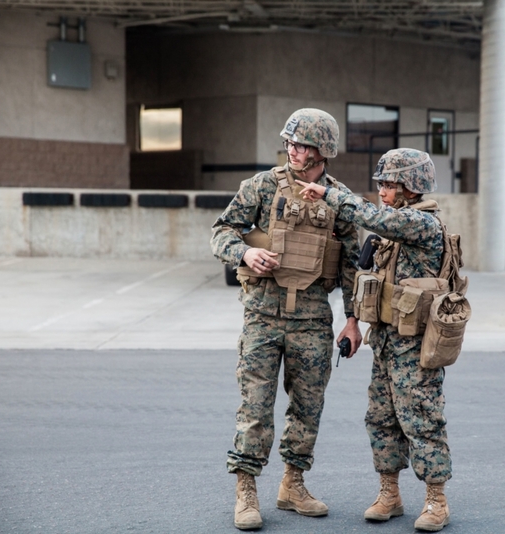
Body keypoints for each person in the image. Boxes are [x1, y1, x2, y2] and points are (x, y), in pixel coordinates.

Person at [210, 108, 363, 531]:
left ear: (323, 151)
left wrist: (352, 320)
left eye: (303, 144)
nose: (293, 150)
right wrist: (245, 252)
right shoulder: (261, 186)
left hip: (313, 319)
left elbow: (353, 265)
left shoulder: (339, 199)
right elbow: (221, 230)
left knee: (308, 407)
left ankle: (293, 484)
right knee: (255, 407)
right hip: (262, 314)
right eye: (291, 142)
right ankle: (246, 490)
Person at [297, 148, 453, 532]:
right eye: (380, 184)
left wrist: (329, 193)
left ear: (412, 187)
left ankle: (436, 500)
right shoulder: (393, 227)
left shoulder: (421, 224)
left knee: (421, 420)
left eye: (389, 184)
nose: (382, 191)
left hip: (416, 347)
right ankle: (389, 494)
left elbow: (370, 215)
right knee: (381, 419)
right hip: (385, 341)